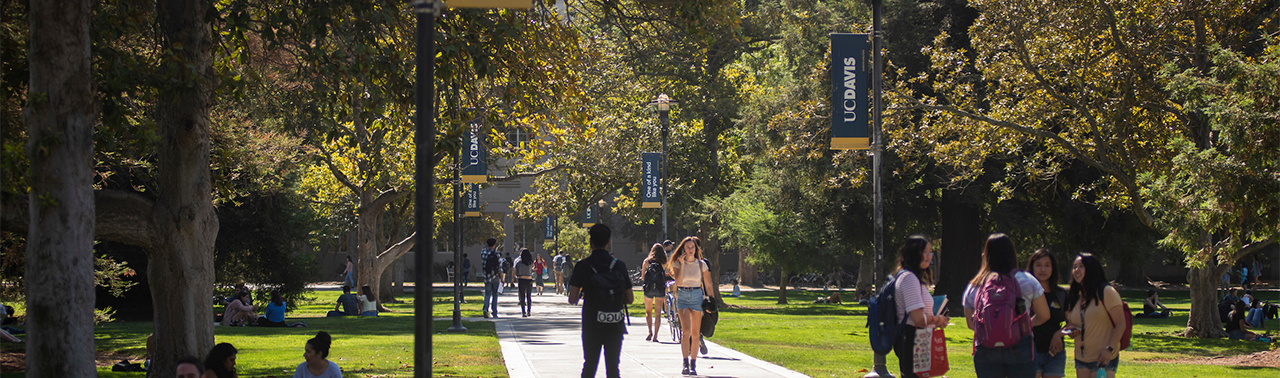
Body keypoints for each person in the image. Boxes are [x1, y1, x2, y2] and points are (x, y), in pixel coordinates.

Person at [964, 233, 1049, 378]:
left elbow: (971, 324)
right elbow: (1044, 315)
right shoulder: (1027, 280)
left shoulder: (976, 285)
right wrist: (1021, 326)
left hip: (986, 347)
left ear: (986, 255)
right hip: (1021, 345)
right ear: (1012, 253)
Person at [569, 224, 633, 378]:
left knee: (589, 365)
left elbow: (572, 299)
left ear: (590, 241)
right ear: (609, 241)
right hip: (615, 323)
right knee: (613, 368)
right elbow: (630, 299)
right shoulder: (619, 266)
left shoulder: (582, 266)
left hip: (592, 323)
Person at [887, 235, 950, 378]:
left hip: (918, 338)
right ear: (914, 253)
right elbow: (918, 318)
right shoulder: (909, 278)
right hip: (912, 337)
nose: (929, 256)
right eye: (925, 252)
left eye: (930, 252)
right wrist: (938, 320)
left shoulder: (914, 277)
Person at [1064, 253, 1125, 378]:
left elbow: (1121, 324)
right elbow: (1073, 323)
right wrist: (1071, 331)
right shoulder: (1077, 295)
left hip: (1103, 359)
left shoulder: (1106, 292)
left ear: (1091, 268)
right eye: (1074, 267)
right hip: (1081, 359)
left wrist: (1109, 350)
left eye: (1081, 266)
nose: (1076, 270)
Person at [668, 236, 718, 375]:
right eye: (688, 247)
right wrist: (683, 263)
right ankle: (685, 362)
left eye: (693, 247)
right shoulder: (678, 264)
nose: (690, 250)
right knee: (686, 332)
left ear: (696, 249)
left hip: (697, 295)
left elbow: (708, 283)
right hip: (683, 296)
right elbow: (678, 282)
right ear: (683, 249)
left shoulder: (702, 264)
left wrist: (712, 300)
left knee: (696, 333)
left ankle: (693, 364)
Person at [1028, 248, 1067, 378]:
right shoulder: (1023, 293)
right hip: (1029, 351)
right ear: (1032, 267)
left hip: (1055, 353)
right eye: (1038, 265)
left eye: (1047, 265)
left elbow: (1072, 324)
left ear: (1053, 268)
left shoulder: (1061, 294)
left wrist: (1059, 333)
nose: (1042, 269)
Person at [641, 243, 670, 342]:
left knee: (648, 312)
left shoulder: (646, 262)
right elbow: (669, 272)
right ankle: (655, 336)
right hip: (660, 289)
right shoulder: (664, 262)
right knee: (657, 313)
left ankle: (650, 331)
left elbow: (642, 277)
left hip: (649, 289)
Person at [481, 238, 501, 318]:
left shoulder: (483, 252)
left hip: (486, 276)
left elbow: (483, 263)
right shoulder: (496, 253)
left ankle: (485, 309)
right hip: (495, 276)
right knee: (495, 294)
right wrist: (501, 277)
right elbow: (499, 266)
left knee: (487, 294)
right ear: (494, 244)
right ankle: (494, 311)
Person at [515, 248, 535, 317]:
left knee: (522, 297)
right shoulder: (530, 263)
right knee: (528, 296)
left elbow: (516, 271)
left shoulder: (519, 263)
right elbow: (532, 268)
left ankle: (523, 312)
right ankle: (529, 311)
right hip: (529, 279)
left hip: (521, 279)